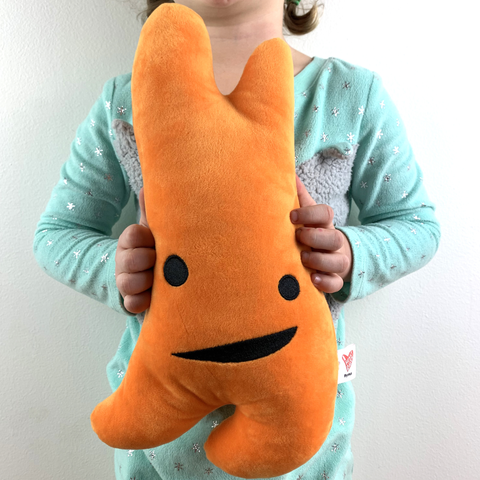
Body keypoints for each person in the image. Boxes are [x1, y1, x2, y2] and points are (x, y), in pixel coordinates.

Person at [32, 0, 441, 478]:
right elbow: (56, 234)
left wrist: (351, 256)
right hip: (160, 450)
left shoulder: (351, 96)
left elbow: (417, 224)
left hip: (304, 454)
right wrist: (116, 268)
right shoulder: (126, 103)